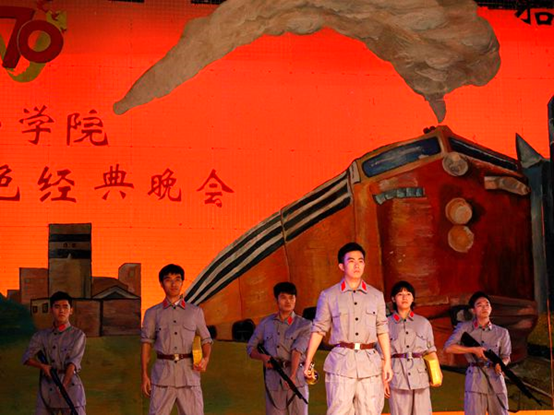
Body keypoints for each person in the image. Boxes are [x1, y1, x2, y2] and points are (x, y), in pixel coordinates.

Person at [303, 242, 393, 415]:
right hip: (341, 365)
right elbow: (319, 329)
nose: (357, 265)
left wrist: (387, 362)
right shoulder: (329, 295)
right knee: (339, 411)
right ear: (341, 266)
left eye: (360, 261)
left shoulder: (376, 296)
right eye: (351, 261)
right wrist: (308, 361)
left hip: (370, 365)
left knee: (371, 411)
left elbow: (382, 329)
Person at [141, 264, 213, 415]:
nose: (173, 284)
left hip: (189, 377)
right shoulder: (152, 313)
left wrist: (206, 358)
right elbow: (146, 343)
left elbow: (206, 340)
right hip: (162, 377)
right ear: (161, 284)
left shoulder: (195, 312)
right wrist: (145, 375)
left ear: (182, 282)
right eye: (168, 280)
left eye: (177, 279)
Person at [247, 282, 312, 415]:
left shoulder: (305, 325)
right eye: (283, 297)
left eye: (291, 297)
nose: (288, 301)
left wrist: (292, 375)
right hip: (273, 381)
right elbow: (250, 347)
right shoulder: (266, 323)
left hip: (296, 380)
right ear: (276, 300)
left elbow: (297, 350)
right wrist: (262, 357)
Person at [444, 291, 511, 415]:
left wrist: (502, 364)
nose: (484, 307)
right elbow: (448, 347)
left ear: (491, 308)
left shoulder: (502, 332)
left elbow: (506, 356)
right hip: (475, 380)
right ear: (473, 310)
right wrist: (473, 350)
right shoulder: (464, 328)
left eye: (487, 304)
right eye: (480, 305)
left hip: (496, 380)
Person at [22, 291, 87, 415]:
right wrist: (43, 366)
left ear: (71, 310)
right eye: (57, 307)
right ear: (51, 310)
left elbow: (73, 363)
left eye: (65, 307)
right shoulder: (41, 336)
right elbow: (26, 358)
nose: (61, 311)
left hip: (70, 387)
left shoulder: (78, 335)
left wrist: (63, 385)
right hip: (47, 388)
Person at [385, 280, 442, 415]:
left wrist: (437, 372)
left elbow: (430, 351)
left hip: (420, 377)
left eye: (408, 294)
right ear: (393, 298)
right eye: (400, 294)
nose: (404, 297)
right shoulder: (385, 323)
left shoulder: (423, 323)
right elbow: (382, 355)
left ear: (413, 298)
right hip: (397, 379)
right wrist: (384, 381)